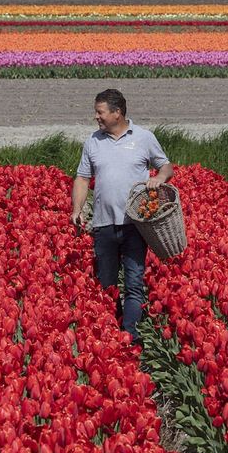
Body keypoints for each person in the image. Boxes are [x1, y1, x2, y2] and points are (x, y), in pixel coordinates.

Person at [71, 89, 174, 344]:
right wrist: (76, 209)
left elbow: (165, 166)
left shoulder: (143, 138)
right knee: (107, 284)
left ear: (117, 113)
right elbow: (83, 178)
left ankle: (130, 337)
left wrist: (159, 178)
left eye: (100, 112)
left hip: (134, 225)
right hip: (103, 223)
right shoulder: (93, 141)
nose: (96, 117)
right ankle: (110, 333)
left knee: (134, 282)